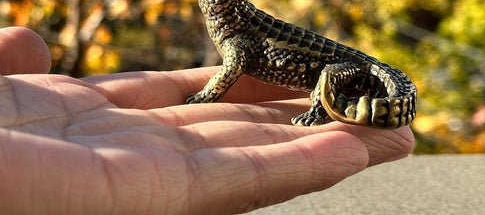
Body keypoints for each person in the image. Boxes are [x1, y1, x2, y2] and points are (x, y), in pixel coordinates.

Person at [0, 26, 414, 214]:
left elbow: (233, 64)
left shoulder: (238, 28)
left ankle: (324, 109)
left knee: (328, 88)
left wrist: (210, 94)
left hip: (347, 70)